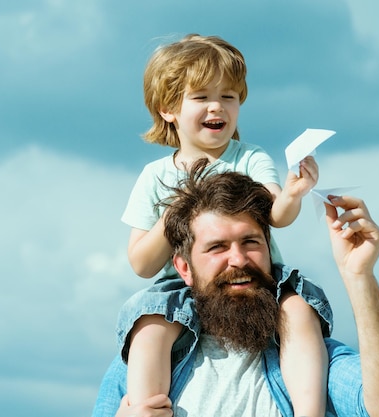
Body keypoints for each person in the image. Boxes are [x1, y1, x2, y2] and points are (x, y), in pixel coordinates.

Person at [92, 161, 379, 417]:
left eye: (250, 242)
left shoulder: (308, 355)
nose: (238, 259)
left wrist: (359, 276)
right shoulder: (143, 362)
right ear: (184, 268)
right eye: (217, 247)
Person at [118, 34, 330, 416]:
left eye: (229, 96)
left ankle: (309, 410)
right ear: (168, 108)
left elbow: (276, 216)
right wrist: (178, 210)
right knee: (147, 319)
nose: (217, 106)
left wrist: (292, 193)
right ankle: (146, 408)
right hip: (183, 287)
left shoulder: (249, 157)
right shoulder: (154, 176)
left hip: (256, 279)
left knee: (298, 310)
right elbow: (141, 264)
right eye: (201, 97)